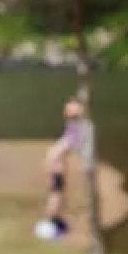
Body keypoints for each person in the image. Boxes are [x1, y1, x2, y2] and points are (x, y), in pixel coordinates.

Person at [35, 99, 85, 240]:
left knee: (57, 195)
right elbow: (74, 143)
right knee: (56, 195)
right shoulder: (73, 132)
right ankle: (52, 221)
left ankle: (55, 220)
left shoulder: (72, 130)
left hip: (55, 164)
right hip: (55, 166)